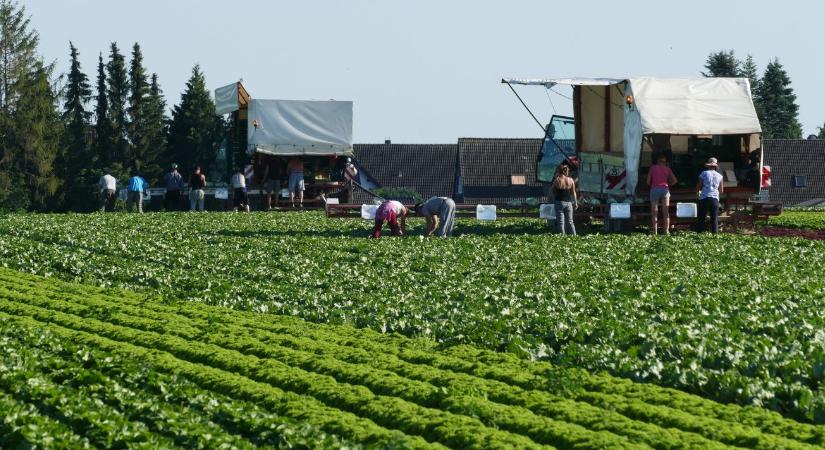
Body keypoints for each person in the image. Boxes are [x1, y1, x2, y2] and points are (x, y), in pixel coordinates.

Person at [646, 155, 678, 235]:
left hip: (654, 189)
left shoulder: (652, 168)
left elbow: (648, 182)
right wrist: (668, 184)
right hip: (665, 190)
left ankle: (655, 231)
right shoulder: (668, 169)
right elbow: (675, 180)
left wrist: (653, 184)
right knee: (666, 212)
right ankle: (666, 231)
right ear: (665, 162)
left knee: (654, 212)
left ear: (657, 161)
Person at [696, 157, 724, 233]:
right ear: (715, 166)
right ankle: (715, 236)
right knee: (714, 219)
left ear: (708, 165)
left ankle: (700, 235)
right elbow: (721, 190)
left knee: (701, 218)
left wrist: (697, 192)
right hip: (715, 199)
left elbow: (699, 185)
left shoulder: (704, 173)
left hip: (704, 197)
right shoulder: (720, 176)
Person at [552, 165, 577, 236]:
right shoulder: (571, 180)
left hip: (559, 202)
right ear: (566, 171)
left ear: (558, 171)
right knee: (570, 221)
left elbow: (552, 191)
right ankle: (575, 236)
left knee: (561, 222)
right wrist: (575, 203)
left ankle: (562, 238)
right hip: (569, 203)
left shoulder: (557, 180)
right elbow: (573, 192)